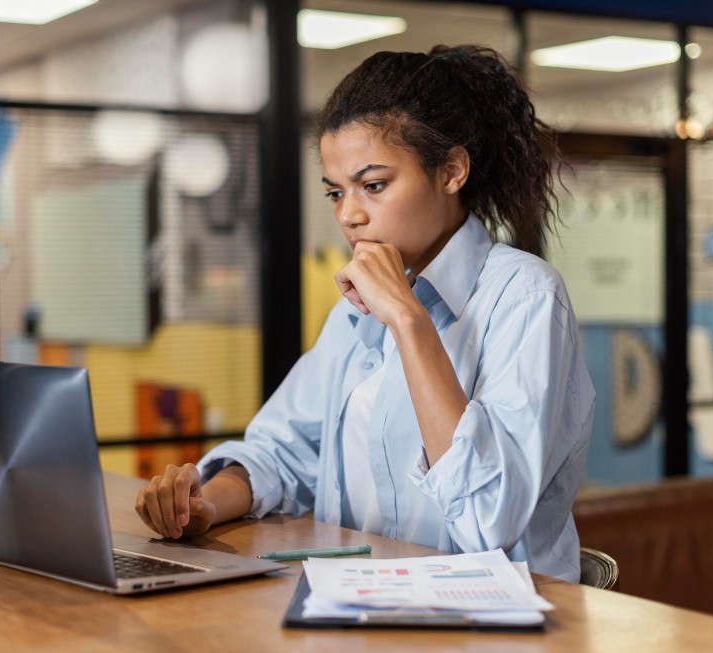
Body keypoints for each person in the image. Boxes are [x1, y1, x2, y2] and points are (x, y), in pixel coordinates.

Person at [135, 44, 595, 582]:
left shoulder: (525, 298)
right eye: (336, 192)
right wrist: (206, 504)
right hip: (360, 606)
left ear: (451, 171)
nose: (349, 215)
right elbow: (282, 450)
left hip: (486, 625)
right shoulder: (354, 313)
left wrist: (408, 320)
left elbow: (487, 517)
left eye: (373, 186)